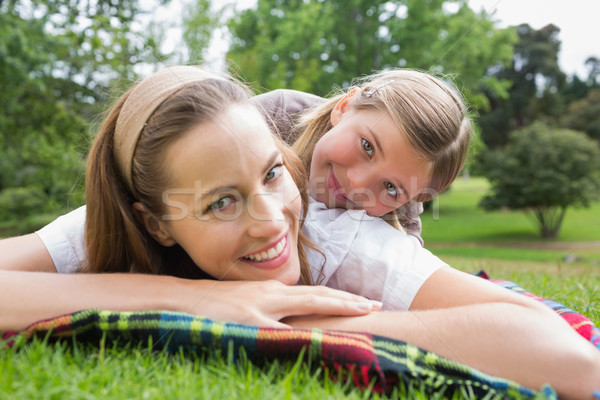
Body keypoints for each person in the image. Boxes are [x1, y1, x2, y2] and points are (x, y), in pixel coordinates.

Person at [1, 65, 599, 398]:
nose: (270, 218)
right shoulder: (251, 125)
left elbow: (567, 358)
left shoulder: (345, 234)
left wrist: (297, 315)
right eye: (221, 202)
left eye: (271, 174)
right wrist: (200, 301)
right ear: (154, 223)